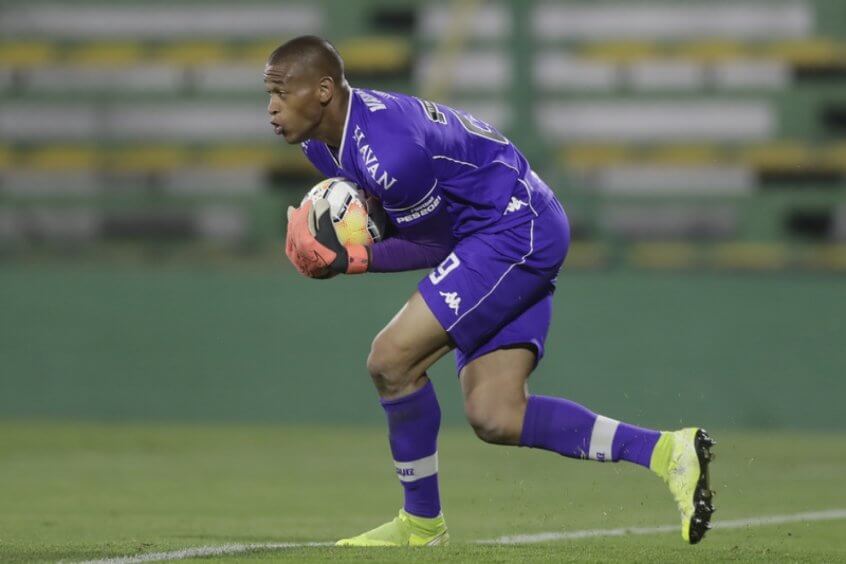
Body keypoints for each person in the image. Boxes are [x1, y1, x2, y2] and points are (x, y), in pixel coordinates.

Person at [270, 35, 715, 547]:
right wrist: (345, 232)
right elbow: (400, 216)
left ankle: (420, 526)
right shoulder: (323, 145)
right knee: (495, 414)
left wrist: (351, 258)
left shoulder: (388, 150)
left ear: (324, 90)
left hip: (512, 230)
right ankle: (669, 453)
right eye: (269, 95)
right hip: (503, 226)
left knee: (391, 361)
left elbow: (435, 242)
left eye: (282, 92)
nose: (272, 107)